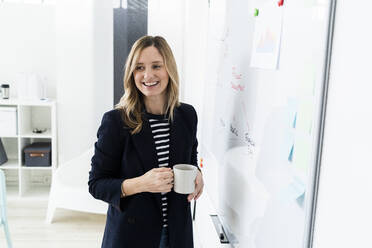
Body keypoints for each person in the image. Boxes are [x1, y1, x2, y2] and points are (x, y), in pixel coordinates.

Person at [88, 35, 204, 248]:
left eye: (156, 66)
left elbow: (191, 158)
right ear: (132, 74)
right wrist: (142, 183)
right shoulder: (116, 121)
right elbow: (96, 184)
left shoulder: (187, 115)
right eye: (139, 67)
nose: (148, 75)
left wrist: (197, 174)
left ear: (169, 69)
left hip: (177, 233)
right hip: (132, 236)